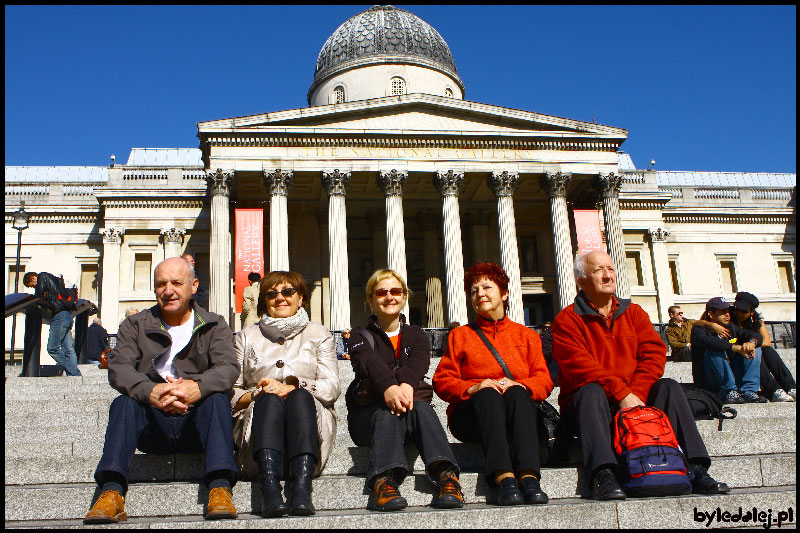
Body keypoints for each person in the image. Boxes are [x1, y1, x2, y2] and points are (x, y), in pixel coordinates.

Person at [552, 251, 730, 501]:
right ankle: (604, 473)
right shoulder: (567, 321)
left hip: (636, 398)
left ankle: (696, 467)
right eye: (598, 270)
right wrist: (622, 393)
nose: (607, 276)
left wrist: (636, 392)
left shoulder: (633, 312)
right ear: (581, 281)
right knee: (590, 391)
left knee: (668, 386)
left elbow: (654, 353)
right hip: (589, 407)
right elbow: (580, 366)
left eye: (610, 269)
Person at [84, 257, 240, 524]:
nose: (168, 291)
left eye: (177, 283)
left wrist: (196, 388)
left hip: (197, 423)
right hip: (152, 425)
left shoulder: (215, 324)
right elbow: (118, 367)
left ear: (194, 285)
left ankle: (220, 487)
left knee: (216, 400)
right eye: (161, 284)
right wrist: (151, 392)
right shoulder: (135, 325)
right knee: (124, 403)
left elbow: (228, 367)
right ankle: (110, 491)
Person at [434, 262, 552, 506]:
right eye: (474, 290)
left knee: (518, 393)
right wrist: (473, 387)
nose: (480, 294)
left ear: (505, 293)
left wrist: (520, 385)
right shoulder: (460, 335)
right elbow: (442, 380)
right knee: (488, 393)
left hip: (516, 414)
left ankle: (529, 477)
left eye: (487, 287)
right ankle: (503, 477)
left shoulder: (527, 336)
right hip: (473, 417)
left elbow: (543, 380)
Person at [347, 269, 464, 512]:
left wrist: (401, 387)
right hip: (367, 419)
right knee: (386, 411)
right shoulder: (359, 335)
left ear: (404, 297)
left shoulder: (417, 334)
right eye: (381, 292)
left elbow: (419, 365)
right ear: (371, 299)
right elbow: (369, 363)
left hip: (411, 414)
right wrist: (390, 387)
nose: (389, 297)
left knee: (421, 408)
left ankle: (446, 476)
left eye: (395, 291)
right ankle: (383, 480)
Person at [232, 270, 340, 517]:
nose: (280, 297)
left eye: (288, 291)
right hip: (257, 437)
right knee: (268, 399)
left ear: (300, 297)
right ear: (264, 301)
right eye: (271, 293)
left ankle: (302, 488)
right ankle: (269, 488)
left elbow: (332, 387)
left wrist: (294, 384)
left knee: (299, 396)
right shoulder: (246, 336)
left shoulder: (318, 334)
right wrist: (256, 394)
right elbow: (231, 393)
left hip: (309, 428)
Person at [691, 296, 765, 404]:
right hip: (710, 379)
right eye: (722, 312)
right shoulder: (699, 330)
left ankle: (748, 392)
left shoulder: (731, 327)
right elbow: (709, 342)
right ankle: (728, 391)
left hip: (731, 374)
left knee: (754, 348)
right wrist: (735, 348)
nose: (727, 314)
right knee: (715, 349)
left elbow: (754, 335)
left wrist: (751, 343)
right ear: (711, 314)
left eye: (728, 311)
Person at [731, 292, 795, 402]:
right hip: (735, 364)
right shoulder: (727, 321)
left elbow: (766, 342)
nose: (739, 314)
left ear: (751, 312)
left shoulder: (757, 323)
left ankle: (790, 387)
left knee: (767, 350)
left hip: (751, 360)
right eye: (737, 309)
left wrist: (752, 343)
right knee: (755, 351)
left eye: (744, 311)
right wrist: (746, 347)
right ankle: (773, 389)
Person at [23, 271, 81, 376]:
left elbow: (38, 296)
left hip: (59, 316)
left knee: (52, 348)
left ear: (32, 278)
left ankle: (74, 372)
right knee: (68, 348)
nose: (33, 287)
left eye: (31, 286)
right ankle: (73, 373)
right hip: (67, 314)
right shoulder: (55, 281)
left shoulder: (42, 276)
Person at [539, 321, 558, 386]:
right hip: (553, 365)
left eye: (548, 327)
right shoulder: (546, 335)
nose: (546, 328)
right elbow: (546, 351)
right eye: (545, 327)